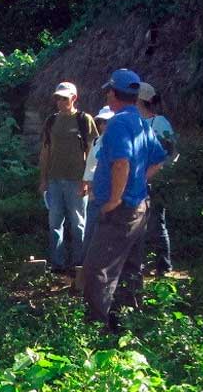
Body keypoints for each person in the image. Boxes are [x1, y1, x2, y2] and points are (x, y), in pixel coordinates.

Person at [80, 69, 167, 332]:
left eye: (109, 91)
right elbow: (158, 160)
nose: (107, 94)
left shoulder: (118, 123)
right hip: (139, 207)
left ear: (115, 94)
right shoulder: (140, 120)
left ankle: (97, 330)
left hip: (121, 210)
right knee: (130, 267)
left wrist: (114, 200)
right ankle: (128, 323)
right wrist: (137, 184)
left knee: (98, 269)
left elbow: (121, 163)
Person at [38, 82, 99, 277]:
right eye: (58, 98)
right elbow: (46, 150)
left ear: (74, 98)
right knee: (55, 223)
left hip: (77, 180)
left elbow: (92, 151)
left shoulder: (84, 120)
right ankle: (58, 264)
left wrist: (88, 179)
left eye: (64, 98)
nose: (60, 101)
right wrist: (43, 178)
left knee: (78, 223)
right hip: (55, 179)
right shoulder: (51, 121)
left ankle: (78, 264)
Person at [137, 82, 178, 277]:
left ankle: (164, 265)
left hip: (156, 181)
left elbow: (171, 152)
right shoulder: (133, 121)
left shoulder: (159, 123)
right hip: (136, 181)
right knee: (137, 223)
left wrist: (157, 172)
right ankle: (139, 263)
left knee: (156, 222)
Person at [79, 106, 114, 266]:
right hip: (95, 190)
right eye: (102, 122)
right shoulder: (96, 141)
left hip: (111, 192)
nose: (104, 125)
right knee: (91, 228)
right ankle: (85, 265)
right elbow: (90, 165)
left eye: (108, 122)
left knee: (108, 231)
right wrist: (86, 183)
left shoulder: (118, 144)